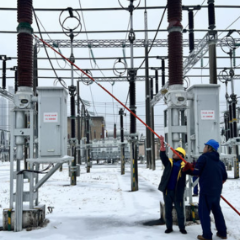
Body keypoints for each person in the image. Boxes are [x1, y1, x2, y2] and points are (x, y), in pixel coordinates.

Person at [183, 139, 228, 240]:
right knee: (217, 212)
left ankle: (207, 235)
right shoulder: (220, 163)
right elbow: (224, 177)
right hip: (216, 192)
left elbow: (196, 172)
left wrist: (188, 169)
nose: (203, 148)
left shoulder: (203, 158)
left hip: (206, 191)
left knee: (204, 213)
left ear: (209, 148)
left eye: (205, 146)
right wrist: (216, 185)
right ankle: (222, 233)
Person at [158, 135, 188, 234]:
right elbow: (163, 156)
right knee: (168, 210)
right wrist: (162, 145)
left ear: (181, 155)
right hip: (167, 191)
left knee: (180, 210)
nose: (173, 154)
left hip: (178, 192)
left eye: (176, 153)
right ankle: (169, 227)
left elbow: (193, 170)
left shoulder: (184, 166)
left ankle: (182, 227)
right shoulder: (169, 163)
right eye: (174, 152)